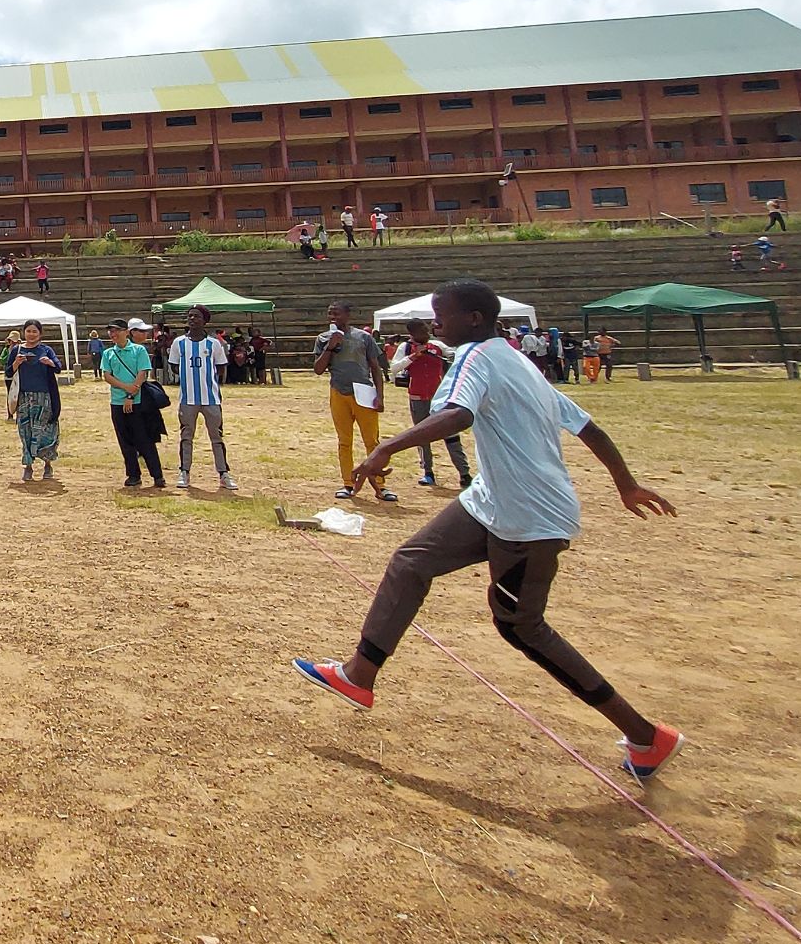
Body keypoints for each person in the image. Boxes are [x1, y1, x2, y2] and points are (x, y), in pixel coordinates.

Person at [291, 278, 686, 787]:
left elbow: (457, 415)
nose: (435, 322)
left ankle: (646, 735)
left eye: (442, 314)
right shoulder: (517, 361)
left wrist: (387, 448)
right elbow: (588, 427)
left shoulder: (479, 357)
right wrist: (625, 483)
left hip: (528, 515)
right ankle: (359, 676)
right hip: (490, 502)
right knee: (412, 561)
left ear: (473, 319)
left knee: (521, 626)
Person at [313, 302, 396, 503]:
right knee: (344, 440)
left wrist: (380, 395)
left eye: (337, 313)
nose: (333, 317)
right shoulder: (323, 339)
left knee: (372, 441)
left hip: (364, 393)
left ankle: (380, 485)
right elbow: (318, 369)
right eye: (329, 313)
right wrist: (330, 347)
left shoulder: (363, 337)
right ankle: (347, 483)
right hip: (338, 392)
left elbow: (375, 367)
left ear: (347, 315)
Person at [168, 305, 237, 493]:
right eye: (190, 316)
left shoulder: (213, 344)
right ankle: (184, 471)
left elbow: (221, 366)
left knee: (217, 437)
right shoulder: (179, 343)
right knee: (186, 436)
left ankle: (223, 473)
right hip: (187, 398)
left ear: (205, 320)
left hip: (211, 398)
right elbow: (174, 366)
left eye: (196, 316)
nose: (192, 319)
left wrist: (210, 381)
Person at [400, 319, 471, 489]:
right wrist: (413, 356)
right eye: (422, 331)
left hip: (439, 398)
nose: (426, 333)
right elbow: (395, 367)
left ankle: (464, 473)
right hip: (418, 397)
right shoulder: (406, 348)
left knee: (451, 435)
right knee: (422, 435)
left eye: (426, 330)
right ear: (413, 333)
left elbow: (454, 355)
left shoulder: (437, 345)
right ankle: (428, 472)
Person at [99, 318, 165, 489]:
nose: (113, 335)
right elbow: (107, 375)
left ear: (126, 332)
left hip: (138, 401)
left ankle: (157, 475)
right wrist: (124, 388)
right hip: (116, 401)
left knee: (144, 439)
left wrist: (131, 393)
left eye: (117, 331)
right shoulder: (108, 353)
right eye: (111, 332)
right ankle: (133, 474)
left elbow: (142, 372)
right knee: (125, 440)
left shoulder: (138, 350)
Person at [2, 320, 64, 481]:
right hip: (24, 398)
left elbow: (58, 367)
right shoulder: (17, 350)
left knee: (46, 431)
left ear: (40, 334)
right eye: (28, 331)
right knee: (26, 432)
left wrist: (49, 363)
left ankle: (48, 464)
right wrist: (16, 363)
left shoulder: (46, 350)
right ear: (24, 333)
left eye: (34, 331)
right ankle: (28, 466)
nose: (31, 334)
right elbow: (8, 372)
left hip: (44, 397)